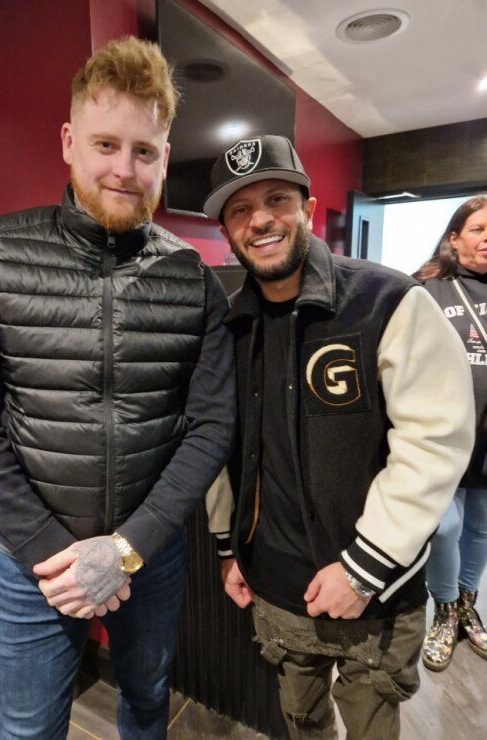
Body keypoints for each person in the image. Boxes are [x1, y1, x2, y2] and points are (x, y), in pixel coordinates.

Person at [0, 38, 234, 740]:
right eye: (105, 144)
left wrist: (125, 549)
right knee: (27, 728)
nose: (123, 170)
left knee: (146, 701)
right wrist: (50, 549)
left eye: (145, 151)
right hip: (28, 561)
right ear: (69, 142)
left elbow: (211, 425)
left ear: (164, 156)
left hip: (149, 557)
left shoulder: (193, 279)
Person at [203, 135, 474, 740]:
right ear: (227, 230)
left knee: (372, 723)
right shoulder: (228, 325)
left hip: (374, 592)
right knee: (301, 717)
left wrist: (360, 571)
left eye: (276, 198)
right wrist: (229, 547)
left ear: (308, 205)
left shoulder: (388, 301)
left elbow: (433, 445)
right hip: (273, 580)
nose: (261, 220)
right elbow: (222, 446)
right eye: (240, 210)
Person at [414, 195, 487, 671]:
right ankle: (442, 608)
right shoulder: (426, 290)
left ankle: (465, 605)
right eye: (479, 229)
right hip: (441, 442)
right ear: (454, 238)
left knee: (479, 529)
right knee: (446, 528)